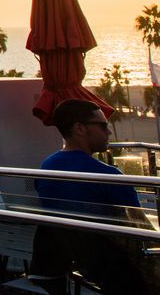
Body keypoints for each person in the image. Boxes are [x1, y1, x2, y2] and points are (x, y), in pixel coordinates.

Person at [33, 99, 146, 292]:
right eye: (103, 126)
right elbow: (139, 231)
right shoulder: (109, 177)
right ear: (80, 129)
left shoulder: (47, 168)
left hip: (73, 266)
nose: (109, 132)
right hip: (112, 271)